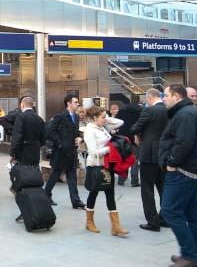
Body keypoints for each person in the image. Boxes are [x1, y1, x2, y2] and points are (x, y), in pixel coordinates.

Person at [160, 84, 197, 267]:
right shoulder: (189, 112)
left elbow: (184, 143)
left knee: (170, 210)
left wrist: (172, 163)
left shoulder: (185, 115)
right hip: (192, 170)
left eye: (165, 95)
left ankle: (189, 254)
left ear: (175, 96)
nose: (164, 99)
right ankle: (196, 255)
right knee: (193, 214)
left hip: (183, 172)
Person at [82, 106, 128, 236]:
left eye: (105, 116)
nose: (105, 119)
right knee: (94, 192)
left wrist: (106, 118)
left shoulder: (103, 127)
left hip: (108, 165)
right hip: (95, 165)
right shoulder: (90, 130)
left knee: (110, 193)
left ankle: (116, 226)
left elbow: (120, 122)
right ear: (95, 118)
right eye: (102, 117)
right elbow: (93, 152)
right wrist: (111, 149)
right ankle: (89, 222)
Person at [132, 89, 169, 231]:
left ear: (150, 98)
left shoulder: (149, 111)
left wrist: (137, 133)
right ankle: (165, 218)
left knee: (147, 189)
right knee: (163, 188)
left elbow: (136, 127)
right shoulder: (168, 110)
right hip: (163, 154)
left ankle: (153, 222)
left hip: (148, 154)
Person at [44, 94, 86, 209]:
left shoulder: (76, 117)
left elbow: (75, 132)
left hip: (72, 151)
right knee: (55, 175)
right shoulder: (60, 116)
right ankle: (46, 195)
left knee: (72, 176)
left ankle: (76, 201)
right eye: (75, 102)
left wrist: (79, 138)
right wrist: (60, 143)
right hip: (61, 152)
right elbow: (50, 132)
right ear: (68, 103)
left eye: (78, 102)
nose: (78, 104)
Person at [10, 96, 46, 167]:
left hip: (23, 152)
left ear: (22, 105)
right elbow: (44, 137)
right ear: (32, 106)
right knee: (34, 171)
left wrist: (12, 153)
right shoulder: (39, 119)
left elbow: (17, 137)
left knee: (24, 173)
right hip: (35, 151)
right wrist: (37, 145)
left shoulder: (20, 117)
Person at [116, 101, 142, 187]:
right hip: (134, 137)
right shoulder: (140, 111)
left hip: (123, 137)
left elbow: (117, 122)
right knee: (134, 160)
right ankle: (134, 181)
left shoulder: (122, 111)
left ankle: (121, 179)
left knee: (123, 159)